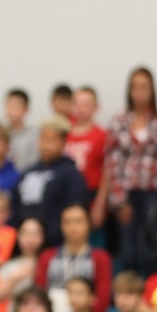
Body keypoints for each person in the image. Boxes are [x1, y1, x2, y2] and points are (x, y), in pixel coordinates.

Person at [102, 66, 157, 276]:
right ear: (129, 91)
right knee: (129, 250)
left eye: (145, 87)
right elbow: (112, 162)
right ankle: (129, 295)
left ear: (152, 90)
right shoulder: (118, 121)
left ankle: (152, 292)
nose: (140, 92)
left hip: (154, 193)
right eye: (136, 87)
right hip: (126, 194)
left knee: (152, 247)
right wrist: (119, 200)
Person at [12, 119, 87, 247]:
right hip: (27, 244)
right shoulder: (28, 172)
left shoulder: (71, 174)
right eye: (43, 139)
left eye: (53, 140)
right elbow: (16, 204)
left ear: (63, 143)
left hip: (55, 243)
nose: (46, 145)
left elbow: (75, 208)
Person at [35, 203, 111, 312]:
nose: (73, 227)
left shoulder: (100, 258)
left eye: (78, 221)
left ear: (88, 224)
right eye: (67, 222)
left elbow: (103, 298)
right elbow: (39, 292)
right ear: (61, 226)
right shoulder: (47, 256)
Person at [65, 87, 108, 217]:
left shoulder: (102, 135)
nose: (80, 108)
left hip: (90, 196)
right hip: (65, 195)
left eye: (86, 104)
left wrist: (99, 206)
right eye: (76, 103)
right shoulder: (63, 133)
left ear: (96, 107)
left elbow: (107, 173)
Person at [0, 215, 45, 312]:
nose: (30, 239)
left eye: (36, 234)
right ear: (18, 236)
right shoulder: (10, 264)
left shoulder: (48, 260)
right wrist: (15, 277)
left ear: (43, 236)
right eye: (25, 234)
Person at [4, 88, 37, 173]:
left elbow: (33, 163)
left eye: (16, 106)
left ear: (26, 109)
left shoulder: (34, 135)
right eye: (9, 105)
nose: (12, 110)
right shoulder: (0, 133)